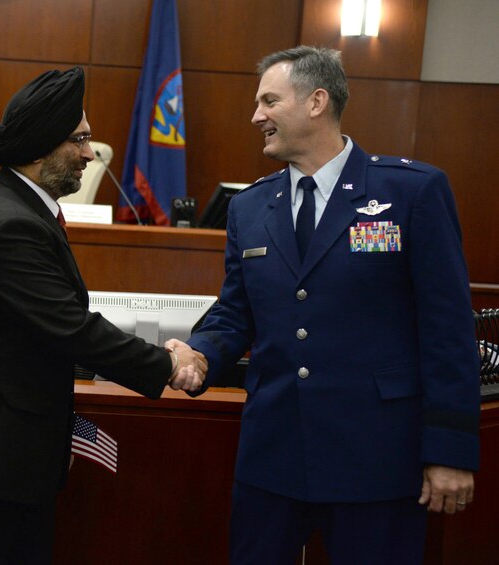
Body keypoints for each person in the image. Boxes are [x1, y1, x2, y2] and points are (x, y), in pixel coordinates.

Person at [178, 46, 480, 564]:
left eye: (269, 101)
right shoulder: (249, 207)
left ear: (317, 101)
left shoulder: (410, 193)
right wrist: (199, 352)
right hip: (272, 459)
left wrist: (449, 451)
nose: (256, 116)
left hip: (377, 459)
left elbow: (448, 330)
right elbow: (234, 311)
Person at [0, 66, 205, 564]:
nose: (90, 153)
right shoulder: (11, 225)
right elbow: (70, 327)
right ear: (41, 146)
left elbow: (37, 335)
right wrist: (167, 365)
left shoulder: (23, 211)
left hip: (0, 467)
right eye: (80, 139)